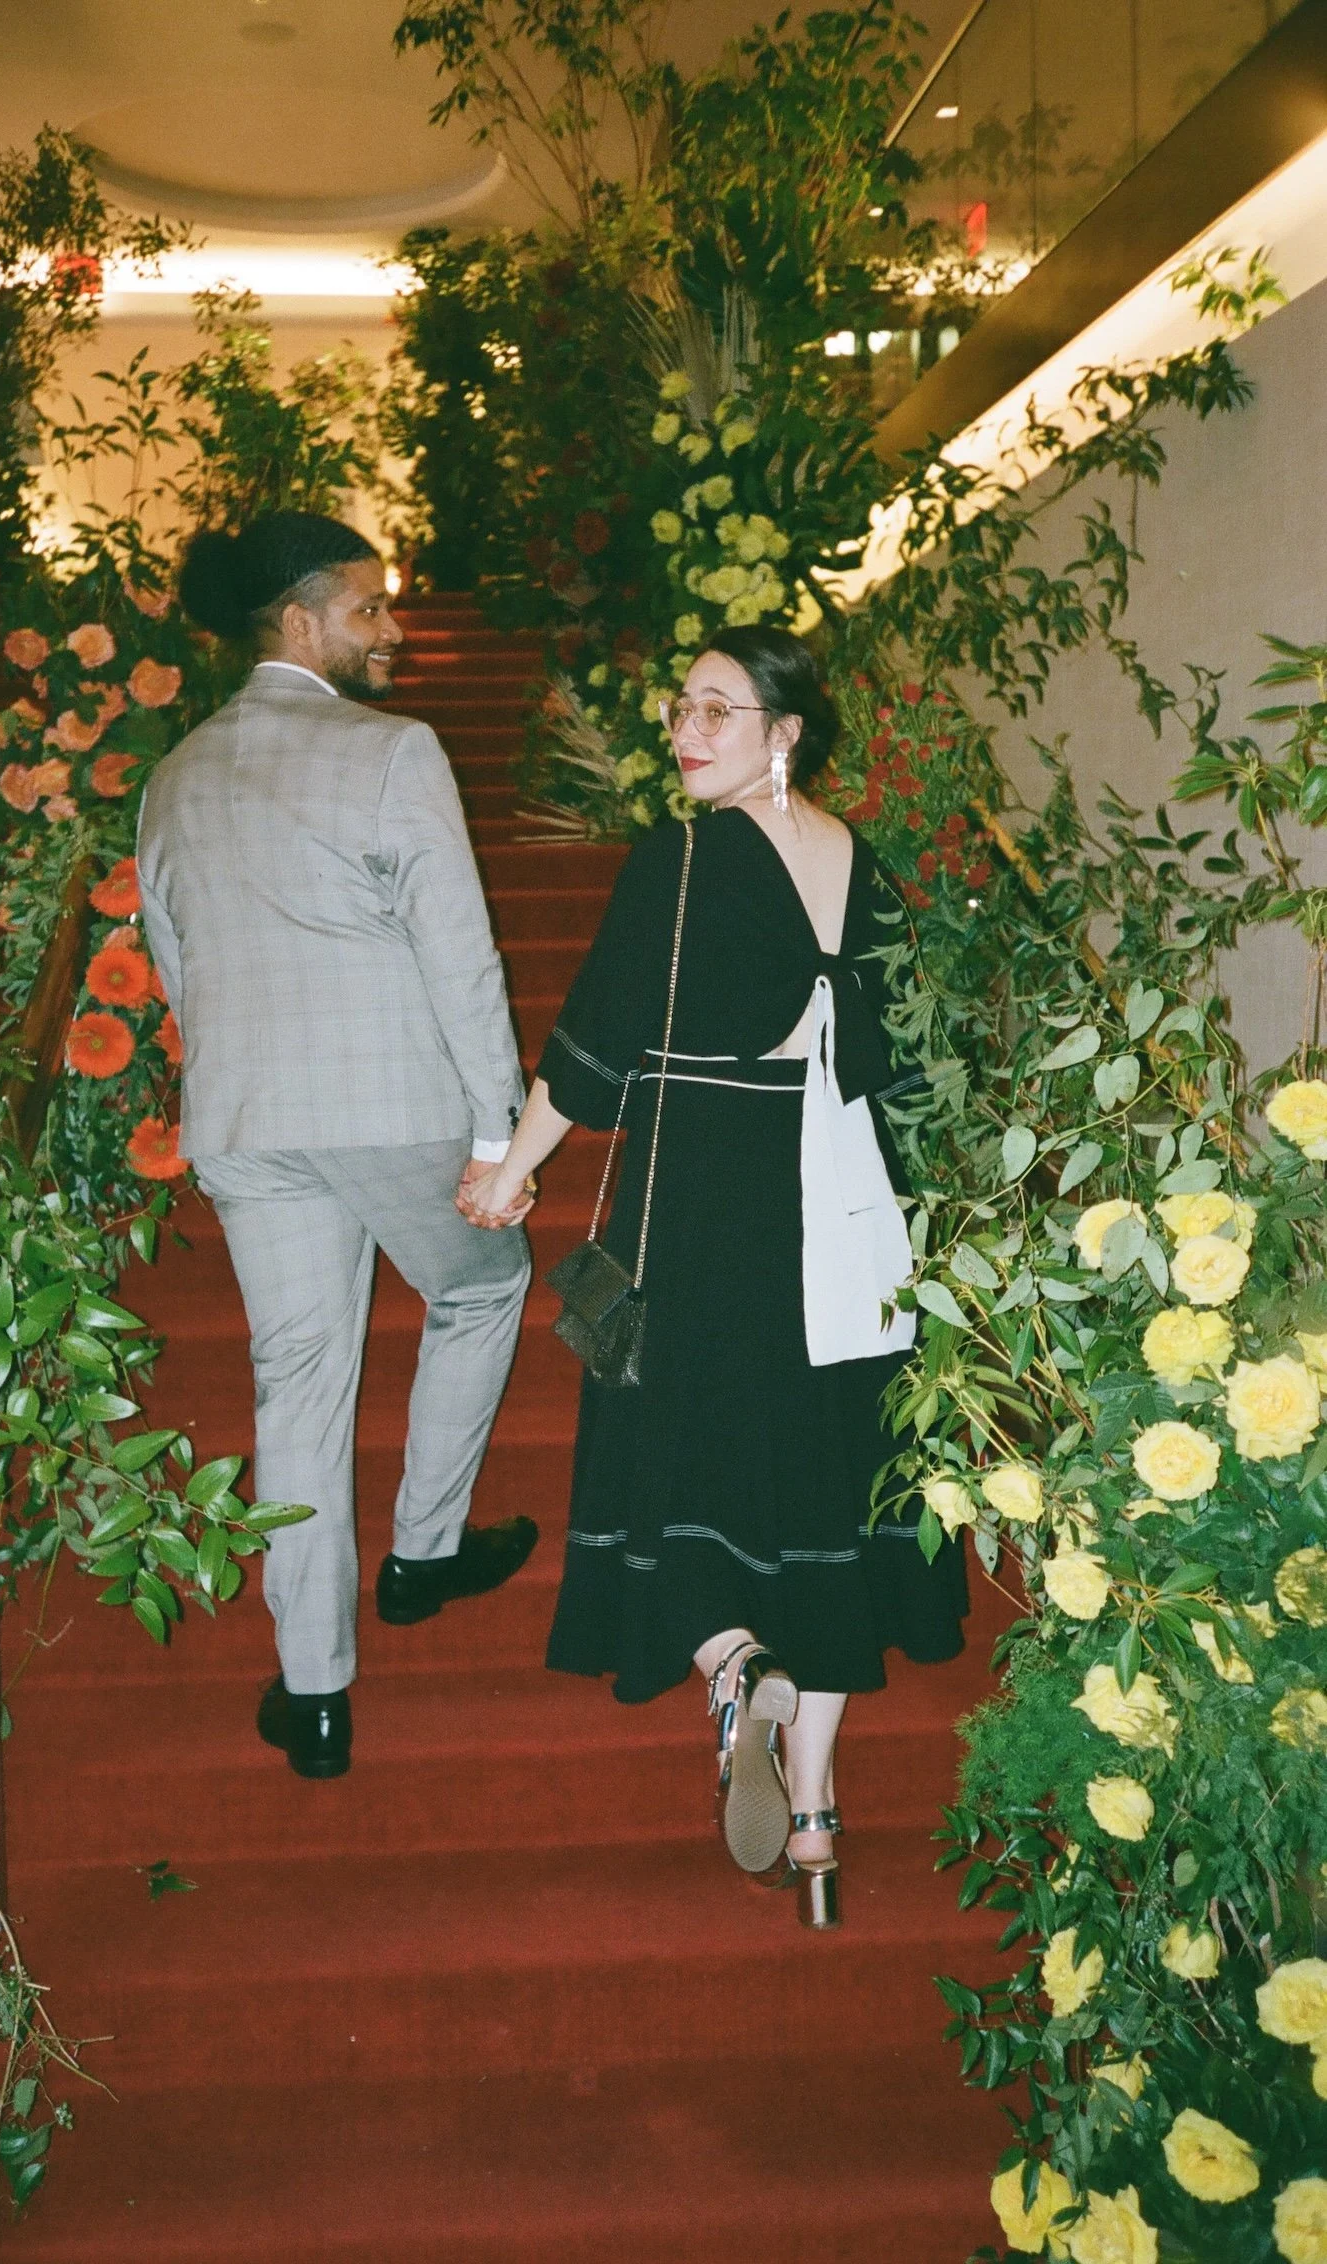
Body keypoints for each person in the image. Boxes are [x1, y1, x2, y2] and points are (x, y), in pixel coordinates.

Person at [463, 626, 967, 1926]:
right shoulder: (865, 863)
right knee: (830, 1469)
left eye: (719, 711)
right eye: (681, 706)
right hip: (847, 1207)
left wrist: (515, 1173)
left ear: (784, 733)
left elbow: (594, 1040)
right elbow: (906, 1054)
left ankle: (735, 1661)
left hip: (702, 1201)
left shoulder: (681, 857)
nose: (685, 731)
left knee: (666, 1450)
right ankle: (812, 1822)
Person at [137, 511, 537, 1783]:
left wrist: (242, 1080)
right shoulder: (395, 750)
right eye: (370, 607)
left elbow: (175, 960)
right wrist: (501, 1132)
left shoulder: (176, 772)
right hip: (398, 1103)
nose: (394, 627)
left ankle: (314, 1691)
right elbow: (458, 953)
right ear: (301, 621)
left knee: (295, 1381)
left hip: (249, 1116)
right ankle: (424, 1550)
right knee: (486, 1284)